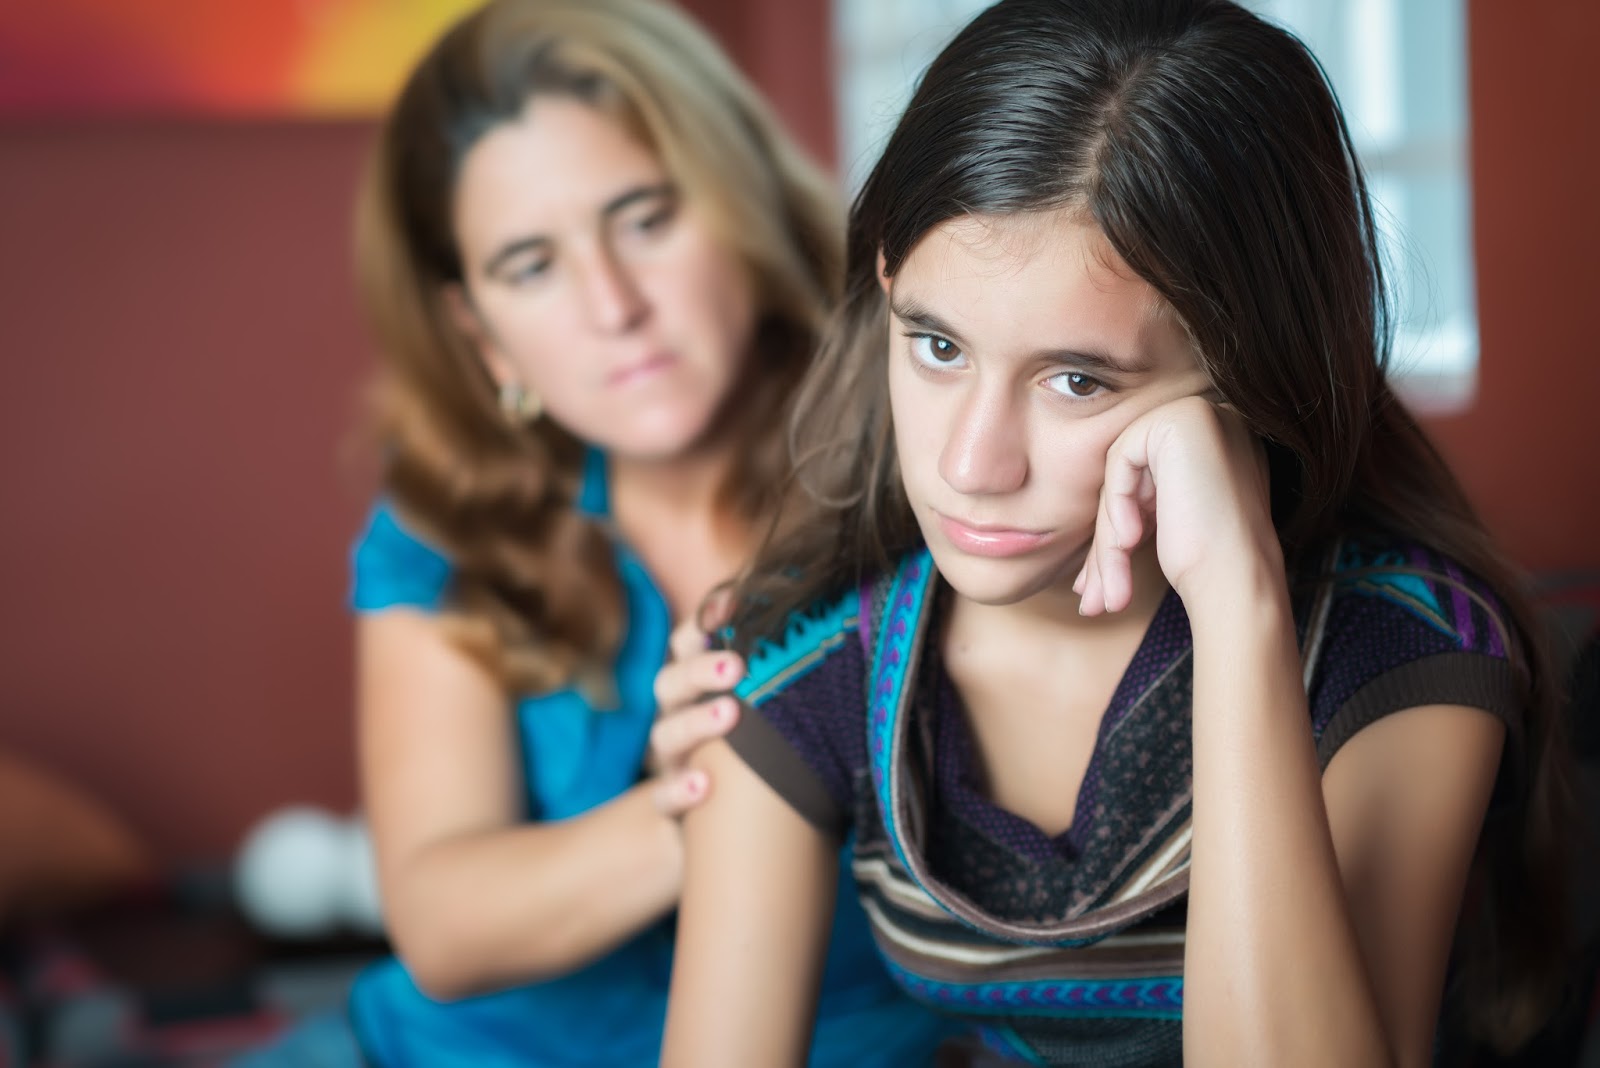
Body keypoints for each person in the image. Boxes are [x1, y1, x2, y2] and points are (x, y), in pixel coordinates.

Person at [658, 0, 1570, 1064]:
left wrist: (1238, 610)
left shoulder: (1403, 645)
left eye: (1076, 380)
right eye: (939, 347)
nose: (969, 466)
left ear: (1243, 375)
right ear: (887, 289)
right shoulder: (812, 656)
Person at [238, 0, 952, 1065]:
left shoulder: (936, 450)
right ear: (482, 336)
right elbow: (440, 925)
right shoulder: (444, 523)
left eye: (647, 216)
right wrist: (702, 798)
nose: (613, 304)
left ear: (738, 198)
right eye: (533, 265)